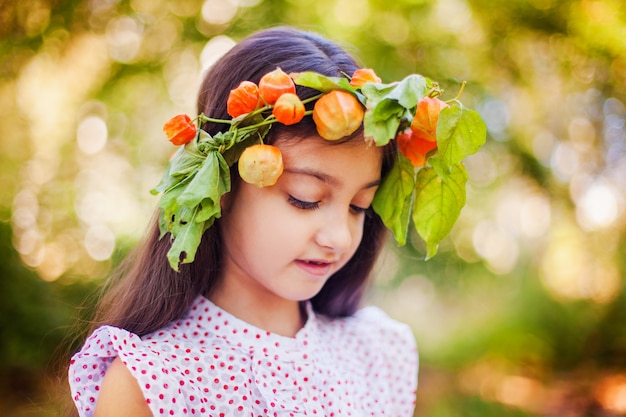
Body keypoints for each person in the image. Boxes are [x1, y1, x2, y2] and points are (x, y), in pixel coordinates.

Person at [68, 24, 485, 417]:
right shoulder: (153, 381)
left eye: (359, 206)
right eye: (305, 200)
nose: (339, 237)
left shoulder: (379, 352)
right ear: (220, 186)